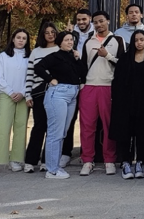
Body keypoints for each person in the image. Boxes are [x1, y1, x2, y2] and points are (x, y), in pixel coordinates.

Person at [110, 29, 144, 180]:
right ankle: (126, 162)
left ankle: (139, 162)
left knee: (141, 134)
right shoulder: (125, 58)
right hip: (125, 103)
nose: (139, 42)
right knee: (125, 133)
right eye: (136, 40)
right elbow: (117, 81)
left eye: (142, 40)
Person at [78, 11, 124, 176]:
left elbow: (123, 65)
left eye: (101, 21)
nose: (98, 25)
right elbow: (84, 65)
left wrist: (108, 55)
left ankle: (109, 160)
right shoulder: (88, 42)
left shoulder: (118, 40)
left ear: (108, 21)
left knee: (108, 125)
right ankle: (87, 160)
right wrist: (82, 85)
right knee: (87, 126)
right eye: (95, 22)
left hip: (108, 86)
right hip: (89, 87)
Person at [35, 31, 85, 179]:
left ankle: (55, 166)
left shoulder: (73, 56)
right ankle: (51, 169)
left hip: (72, 95)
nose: (70, 42)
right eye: (67, 40)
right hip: (58, 94)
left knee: (62, 133)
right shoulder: (54, 56)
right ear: (60, 42)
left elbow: (83, 72)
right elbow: (38, 67)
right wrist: (50, 79)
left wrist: (78, 59)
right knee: (55, 133)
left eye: (71, 40)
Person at [0, 28, 32, 174]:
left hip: (23, 95)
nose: (21, 40)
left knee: (20, 127)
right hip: (7, 94)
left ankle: (16, 159)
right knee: (3, 126)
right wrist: (11, 92)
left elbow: (30, 77)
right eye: (18, 37)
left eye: (24, 38)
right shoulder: (3, 56)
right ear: (12, 39)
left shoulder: (29, 57)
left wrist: (23, 92)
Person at [60, 8, 94, 168]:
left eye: (84, 19)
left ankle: (89, 153)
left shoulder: (97, 35)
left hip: (91, 81)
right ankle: (65, 153)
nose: (81, 22)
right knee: (69, 119)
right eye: (78, 20)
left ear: (90, 19)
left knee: (89, 121)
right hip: (72, 82)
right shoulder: (70, 35)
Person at [24, 22, 59, 173]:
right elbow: (30, 74)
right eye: (47, 32)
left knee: (52, 128)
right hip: (38, 93)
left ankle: (46, 160)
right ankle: (30, 161)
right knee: (39, 126)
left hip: (56, 93)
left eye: (53, 32)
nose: (50, 34)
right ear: (42, 35)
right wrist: (27, 94)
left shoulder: (60, 49)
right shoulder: (36, 52)